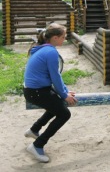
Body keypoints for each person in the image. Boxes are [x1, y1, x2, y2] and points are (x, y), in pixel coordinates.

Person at [23, 23, 77, 163]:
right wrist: (64, 95)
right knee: (64, 114)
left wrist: (65, 92)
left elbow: (55, 77)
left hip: (34, 90)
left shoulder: (42, 48)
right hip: (37, 92)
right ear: (55, 37)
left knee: (57, 105)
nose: (64, 39)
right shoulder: (51, 52)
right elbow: (55, 77)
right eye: (63, 37)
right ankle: (37, 145)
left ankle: (34, 130)